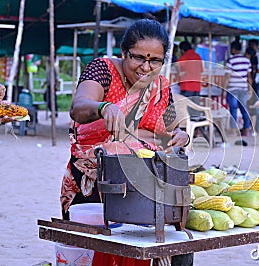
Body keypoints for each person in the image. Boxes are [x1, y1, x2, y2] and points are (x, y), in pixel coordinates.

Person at [60, 18, 189, 266]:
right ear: (123, 52)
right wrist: (103, 107)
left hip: (144, 189)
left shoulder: (161, 86)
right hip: (97, 185)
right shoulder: (103, 69)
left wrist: (182, 135)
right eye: (138, 57)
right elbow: (79, 106)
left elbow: (173, 125)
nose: (146, 67)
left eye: (155, 61)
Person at [223, 40, 252, 136]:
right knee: (244, 109)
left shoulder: (230, 61)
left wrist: (224, 89)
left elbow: (227, 76)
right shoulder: (247, 61)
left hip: (232, 89)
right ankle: (246, 129)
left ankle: (234, 131)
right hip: (243, 88)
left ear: (233, 49)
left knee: (233, 110)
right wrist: (250, 89)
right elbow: (249, 76)